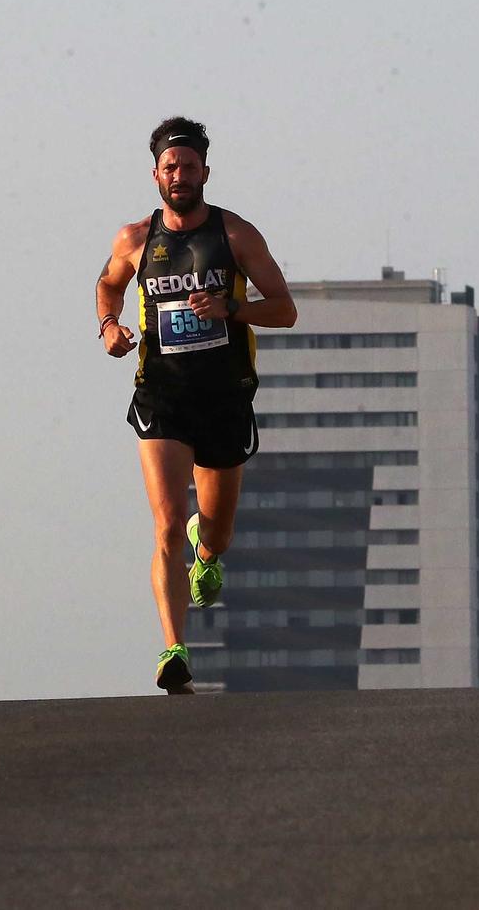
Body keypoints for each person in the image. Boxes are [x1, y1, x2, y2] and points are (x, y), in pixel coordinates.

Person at [95, 116, 296, 693]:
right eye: (169, 166)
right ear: (155, 174)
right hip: (161, 394)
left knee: (217, 529)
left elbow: (284, 308)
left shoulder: (235, 236)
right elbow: (107, 285)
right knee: (164, 528)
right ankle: (173, 650)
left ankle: (207, 554)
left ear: (206, 171)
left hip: (225, 396)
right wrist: (108, 326)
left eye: (188, 166)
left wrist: (230, 310)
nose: (179, 175)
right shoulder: (135, 240)